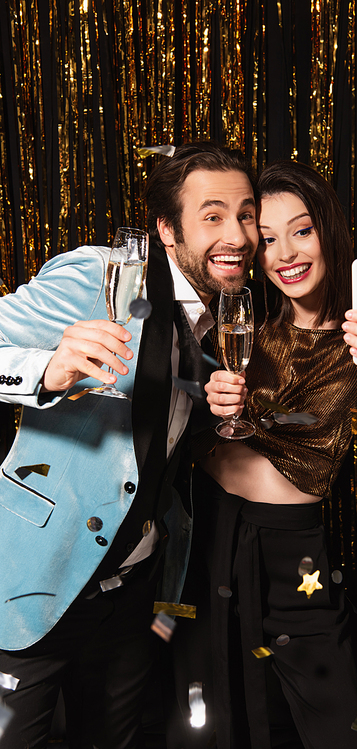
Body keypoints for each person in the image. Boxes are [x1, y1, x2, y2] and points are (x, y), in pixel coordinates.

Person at [0, 141, 259, 749]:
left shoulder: (213, 318)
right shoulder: (99, 276)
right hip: (33, 583)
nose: (239, 235)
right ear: (167, 229)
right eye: (213, 215)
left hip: (133, 590)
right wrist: (47, 371)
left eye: (247, 214)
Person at [175, 159, 357, 749]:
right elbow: (182, 407)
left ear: (327, 231)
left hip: (294, 549)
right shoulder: (239, 315)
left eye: (301, 230)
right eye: (265, 238)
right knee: (211, 716)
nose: (285, 252)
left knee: (336, 723)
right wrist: (211, 399)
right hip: (205, 530)